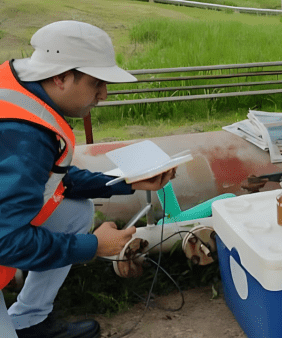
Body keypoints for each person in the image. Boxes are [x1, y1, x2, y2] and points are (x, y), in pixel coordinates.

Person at [0, 21, 175, 338]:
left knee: (74, 211)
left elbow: (55, 177)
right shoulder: (22, 135)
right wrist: (94, 245)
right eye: (96, 83)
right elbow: (7, 243)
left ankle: (29, 322)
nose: (104, 95)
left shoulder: (17, 86)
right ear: (61, 76)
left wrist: (129, 182)